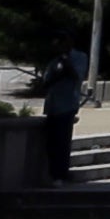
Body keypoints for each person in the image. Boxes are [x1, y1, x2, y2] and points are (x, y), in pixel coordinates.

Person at [35, 44, 89, 184]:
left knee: (62, 140)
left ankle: (61, 174)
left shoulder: (79, 57)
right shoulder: (54, 60)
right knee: (52, 142)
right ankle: (53, 173)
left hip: (68, 104)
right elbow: (46, 82)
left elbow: (77, 76)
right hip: (53, 104)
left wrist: (65, 62)